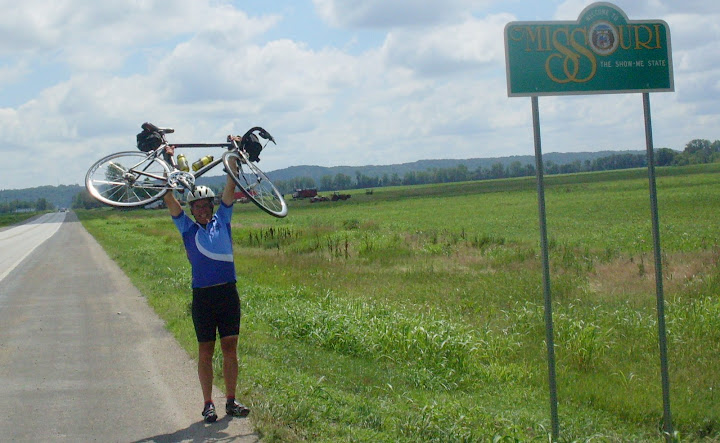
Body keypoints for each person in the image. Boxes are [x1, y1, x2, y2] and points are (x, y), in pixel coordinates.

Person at [163, 146, 250, 423]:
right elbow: (168, 197)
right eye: (197, 206)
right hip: (202, 297)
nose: (202, 210)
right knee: (205, 351)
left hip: (227, 293)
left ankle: (231, 401)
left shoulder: (223, 220)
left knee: (230, 348)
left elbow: (230, 187)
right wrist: (167, 160)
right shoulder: (187, 228)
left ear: (212, 206)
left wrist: (234, 154)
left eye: (205, 205)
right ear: (191, 209)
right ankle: (208, 404)